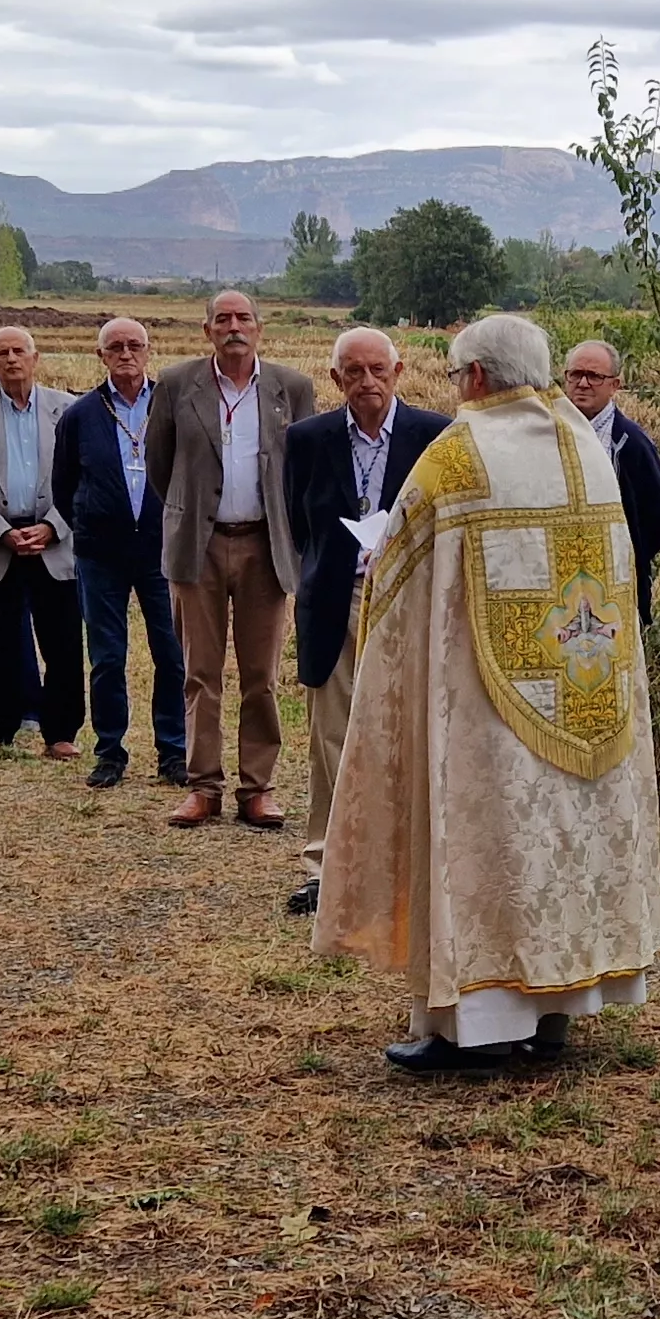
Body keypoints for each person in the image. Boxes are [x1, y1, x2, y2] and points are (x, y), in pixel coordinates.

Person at [315, 314, 660, 1073]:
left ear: (474, 376)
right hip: (587, 689)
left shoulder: (458, 454)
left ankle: (480, 1028)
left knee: (493, 843)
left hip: (486, 705)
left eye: (453, 374)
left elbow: (393, 573)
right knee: (564, 843)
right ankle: (557, 1015)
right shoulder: (585, 444)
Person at [280, 327, 445, 910]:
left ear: (399, 373)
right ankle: (326, 867)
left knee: (409, 732)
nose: (367, 381)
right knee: (332, 737)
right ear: (335, 378)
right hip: (336, 600)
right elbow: (300, 524)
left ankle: (403, 867)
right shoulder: (307, 438)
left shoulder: (436, 435)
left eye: (378, 370)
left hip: (408, 602)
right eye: (354, 371)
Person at [145, 291, 313, 826]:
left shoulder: (292, 388)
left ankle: (257, 788)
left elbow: (304, 467)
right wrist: (191, 512)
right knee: (200, 672)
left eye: (243, 318)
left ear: (259, 328)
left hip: (265, 545)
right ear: (207, 330)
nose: (233, 326)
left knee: (261, 674)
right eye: (223, 319)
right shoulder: (176, 384)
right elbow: (160, 464)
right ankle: (203, 787)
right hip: (200, 545)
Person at [56, 317, 184, 791]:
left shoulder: (171, 405)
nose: (126, 354)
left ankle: (175, 751)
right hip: (101, 554)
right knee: (107, 656)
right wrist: (90, 522)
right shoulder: (80, 414)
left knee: (171, 653)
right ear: (101, 356)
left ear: (149, 351)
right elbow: (64, 484)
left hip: (161, 550)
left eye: (134, 345)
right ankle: (110, 751)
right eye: (115, 347)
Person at [0, 327, 81, 759]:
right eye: (1, 353)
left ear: (35, 358)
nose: (11, 359)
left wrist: (53, 527)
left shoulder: (67, 410)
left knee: (62, 641)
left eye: (18, 351)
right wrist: (2, 533)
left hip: (53, 542)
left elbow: (80, 478)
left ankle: (60, 734)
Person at [561, 339, 660, 620]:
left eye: (594, 376)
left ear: (614, 385)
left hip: (615, 591)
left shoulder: (630, 442)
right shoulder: (550, 433)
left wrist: (625, 558)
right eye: (576, 374)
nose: (583, 383)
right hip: (560, 588)